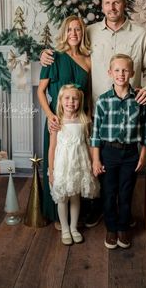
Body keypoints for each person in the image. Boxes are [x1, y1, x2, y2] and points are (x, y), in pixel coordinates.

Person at [40, 0, 146, 227]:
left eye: (116, 3)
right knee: (95, 162)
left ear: (124, 4)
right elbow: (70, 48)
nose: (112, 7)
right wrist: (45, 55)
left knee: (125, 164)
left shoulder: (139, 34)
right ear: (101, 6)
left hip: (127, 112)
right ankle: (97, 209)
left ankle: (122, 212)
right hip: (94, 110)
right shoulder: (90, 32)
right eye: (107, 3)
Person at [91, 54, 146, 249]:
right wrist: (95, 160)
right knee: (109, 192)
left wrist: (143, 154)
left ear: (132, 73)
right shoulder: (102, 101)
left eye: (125, 70)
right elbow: (95, 134)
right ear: (110, 73)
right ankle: (111, 227)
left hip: (130, 154)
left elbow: (145, 129)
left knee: (125, 192)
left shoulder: (140, 99)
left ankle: (123, 227)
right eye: (117, 70)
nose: (121, 74)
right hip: (108, 153)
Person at [37, 15, 92, 229]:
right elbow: (41, 91)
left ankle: (79, 216)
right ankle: (57, 215)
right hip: (57, 120)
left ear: (83, 33)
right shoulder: (53, 57)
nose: (74, 34)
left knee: (78, 165)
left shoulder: (88, 60)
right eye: (69, 30)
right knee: (58, 166)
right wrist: (50, 115)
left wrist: (89, 119)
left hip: (79, 122)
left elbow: (88, 94)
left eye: (78, 29)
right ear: (64, 32)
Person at [48, 84, 99, 245]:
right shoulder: (57, 121)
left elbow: (89, 144)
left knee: (76, 197)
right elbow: (52, 147)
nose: (71, 102)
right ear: (61, 101)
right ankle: (64, 229)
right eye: (67, 98)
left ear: (80, 101)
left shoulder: (84, 120)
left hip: (79, 166)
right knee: (62, 198)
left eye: (75, 98)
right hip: (63, 167)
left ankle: (74, 227)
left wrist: (92, 164)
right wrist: (51, 170)